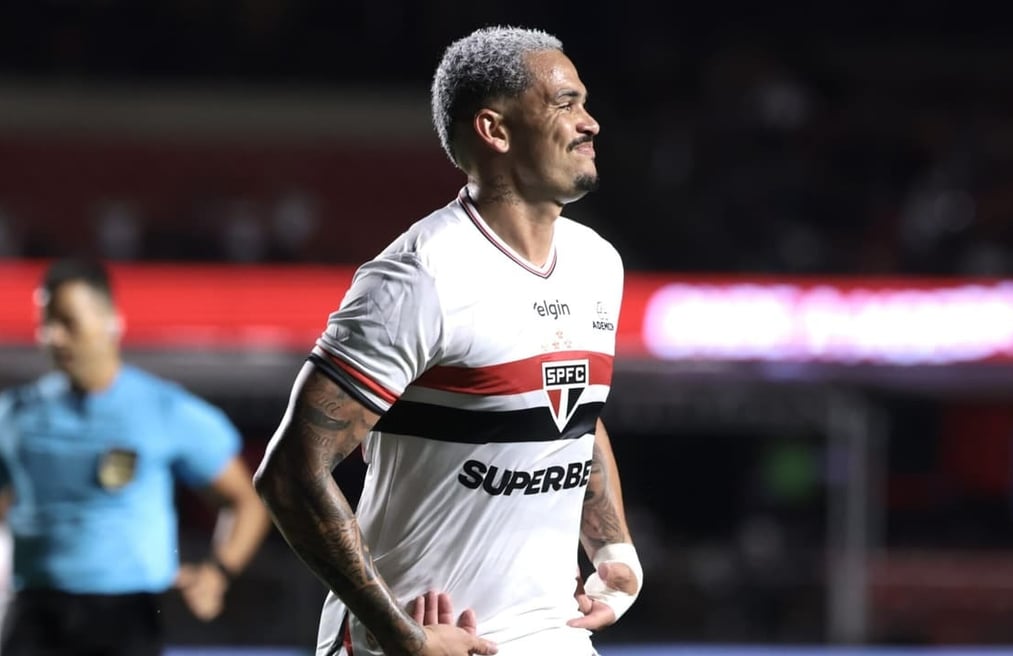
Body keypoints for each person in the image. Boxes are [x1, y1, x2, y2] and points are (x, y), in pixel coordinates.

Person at [254, 25, 643, 656]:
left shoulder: (597, 262)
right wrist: (399, 635)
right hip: (421, 636)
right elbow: (292, 472)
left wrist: (614, 549)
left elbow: (568, 414)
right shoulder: (419, 278)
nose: (590, 122)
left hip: (551, 633)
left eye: (585, 103)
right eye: (565, 103)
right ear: (494, 130)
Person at [0, 258, 271, 656]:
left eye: (67, 322)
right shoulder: (15, 414)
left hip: (127, 616)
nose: (53, 337)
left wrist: (218, 572)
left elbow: (245, 500)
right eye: (46, 323)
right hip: (34, 611)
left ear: (110, 322)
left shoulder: (163, 409)